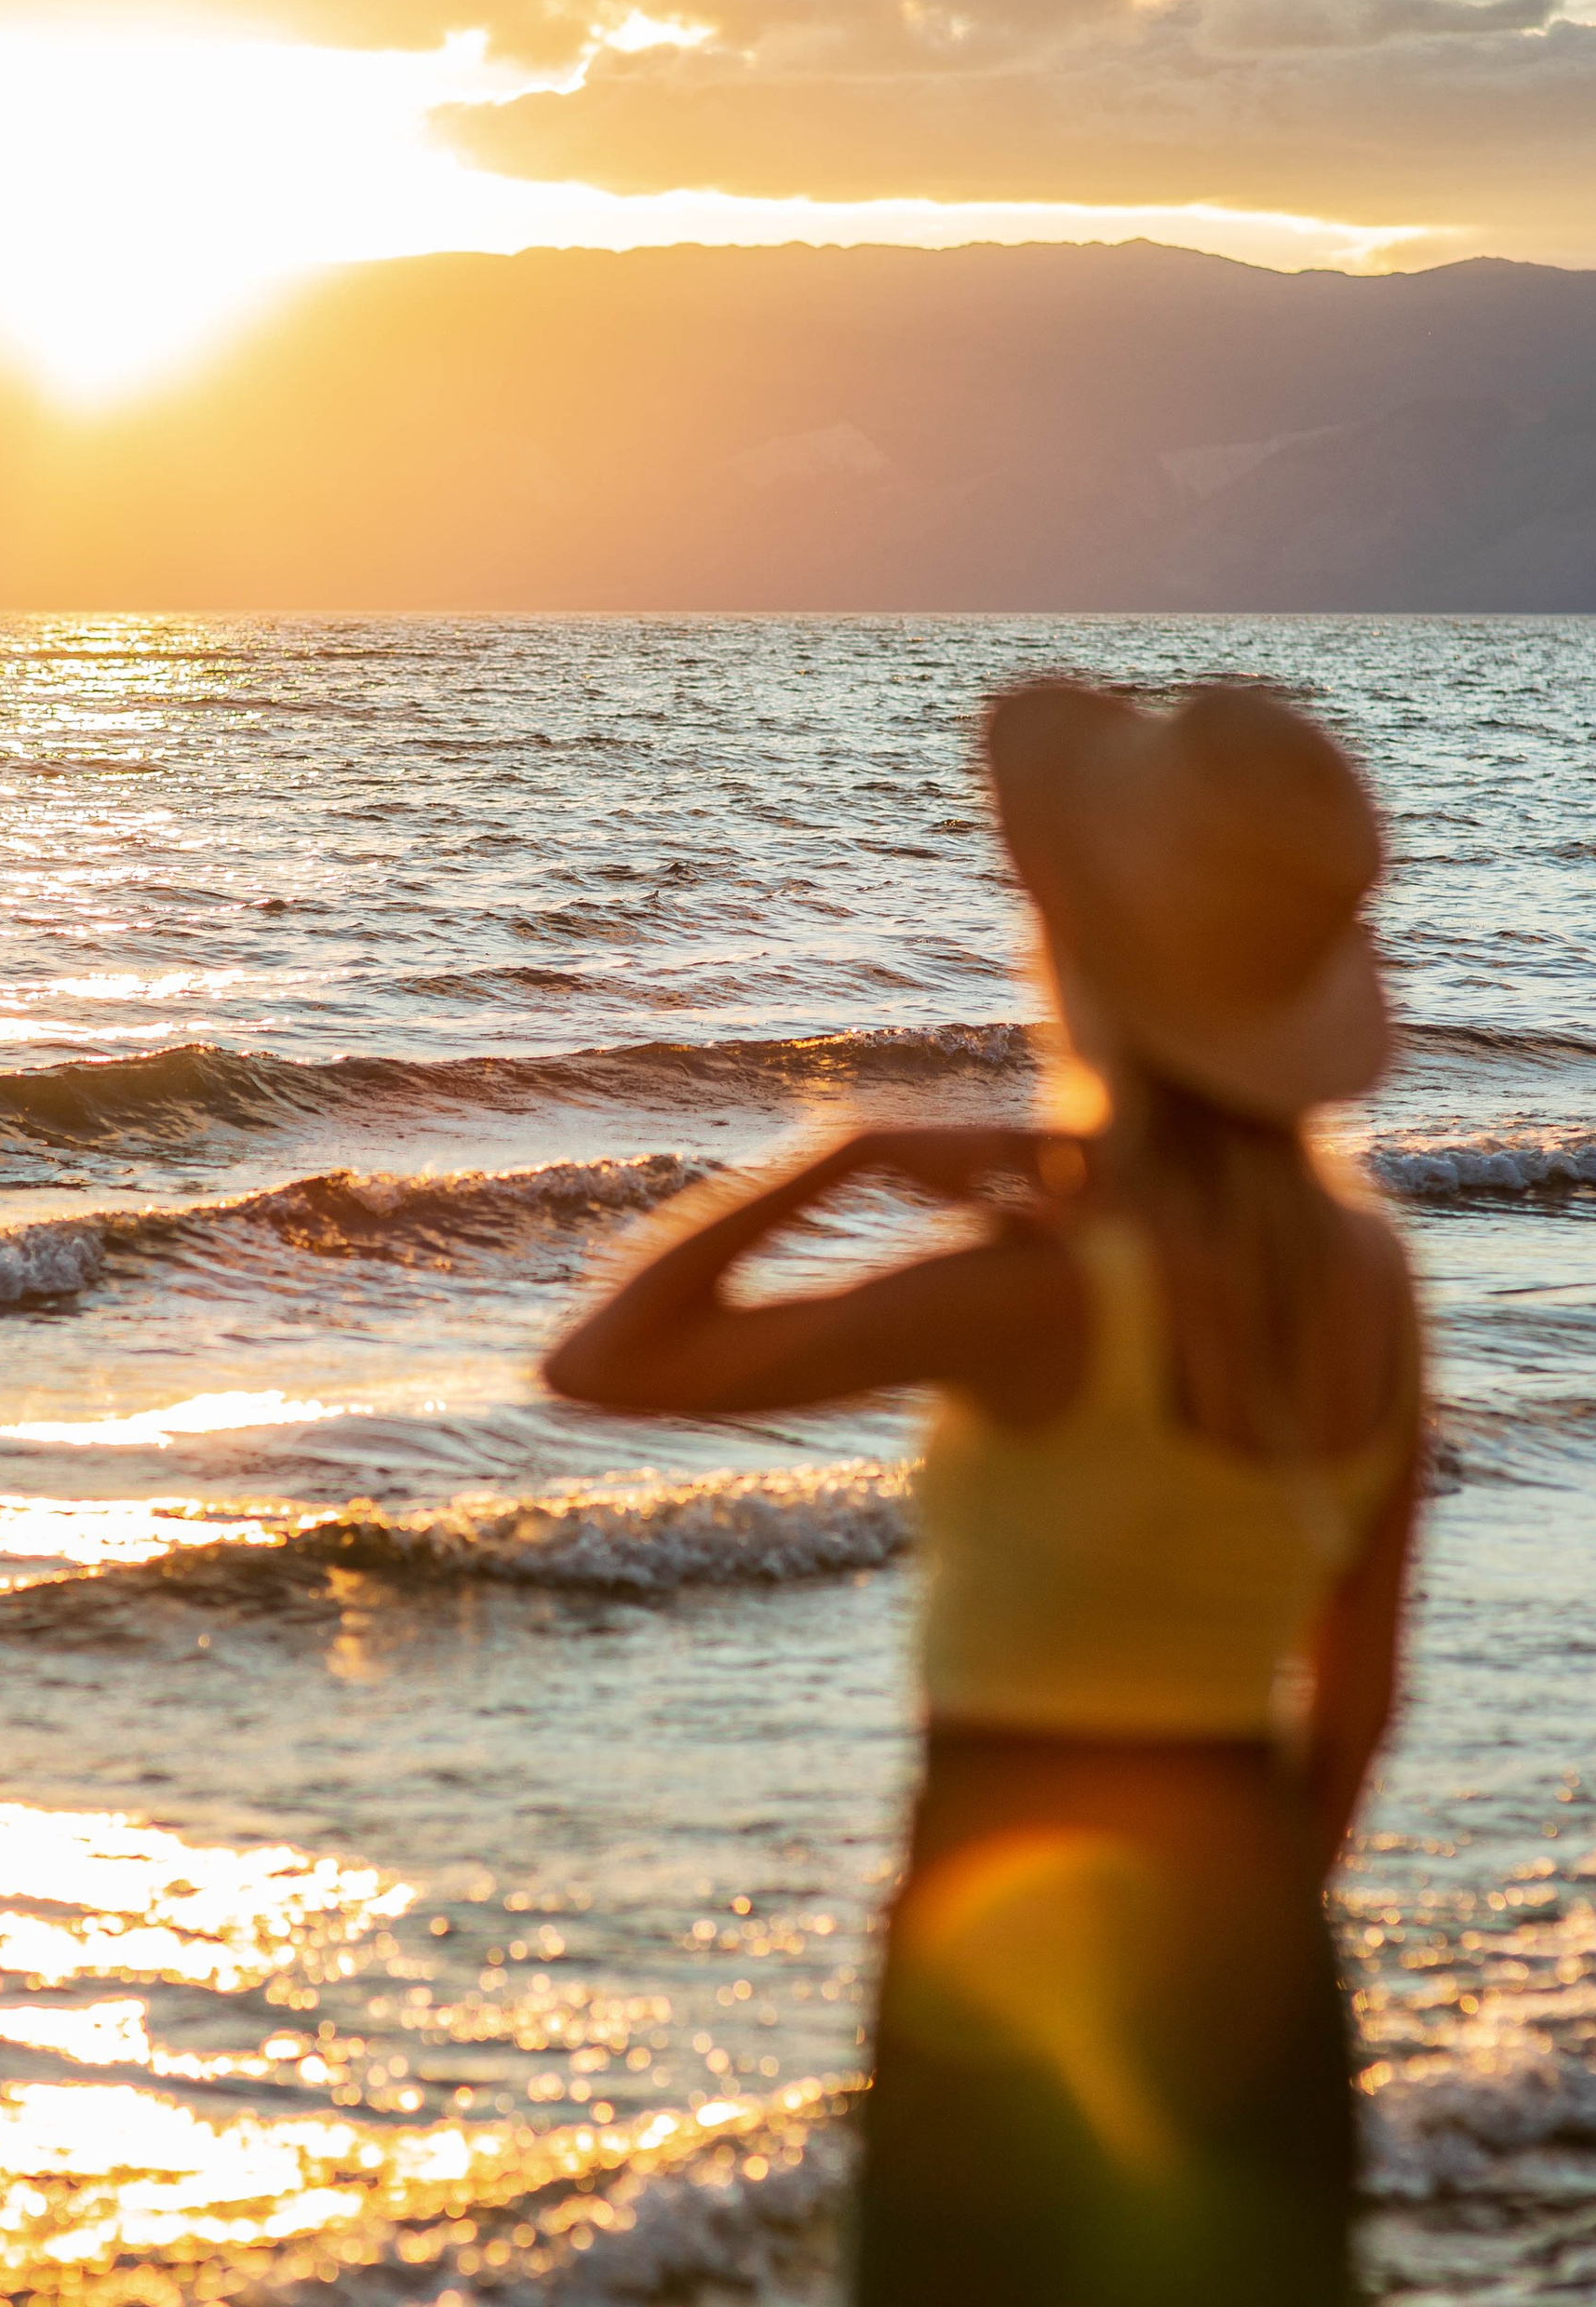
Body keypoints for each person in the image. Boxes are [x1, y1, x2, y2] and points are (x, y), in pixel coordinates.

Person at [543, 680, 1423, 2306]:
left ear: (1082, 963)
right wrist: (1252, 1944)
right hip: (1260, 1939)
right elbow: (1361, 1693)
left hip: (1007, 1943)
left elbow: (605, 1362)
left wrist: (849, 1158)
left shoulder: (1047, 1297)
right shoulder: (1371, 1280)